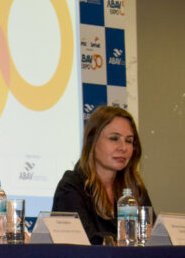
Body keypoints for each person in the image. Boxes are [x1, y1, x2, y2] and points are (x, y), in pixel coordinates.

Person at [51, 105, 152, 245]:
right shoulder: (72, 186)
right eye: (114, 138)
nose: (123, 148)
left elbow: (151, 240)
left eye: (129, 141)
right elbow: (83, 243)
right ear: (92, 141)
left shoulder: (135, 188)